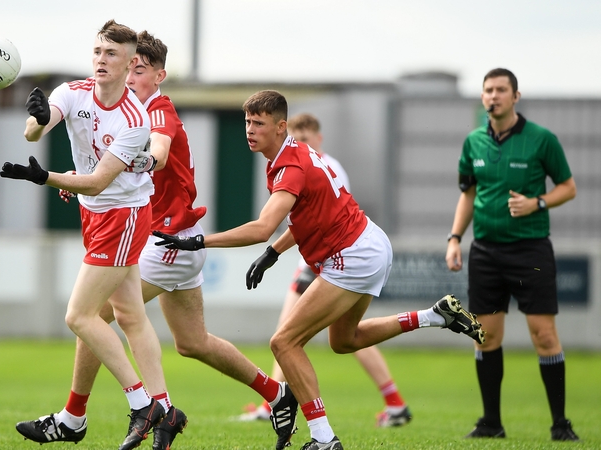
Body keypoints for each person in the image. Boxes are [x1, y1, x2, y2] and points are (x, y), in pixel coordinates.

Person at [154, 90, 485, 450]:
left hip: (353, 254)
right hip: (367, 244)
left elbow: (263, 226)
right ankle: (434, 317)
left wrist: (201, 241)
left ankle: (324, 439)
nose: (249, 130)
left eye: (258, 123)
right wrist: (272, 254)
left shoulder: (290, 165)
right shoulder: (291, 154)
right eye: (247, 122)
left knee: (284, 342)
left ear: (281, 127)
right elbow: (306, 218)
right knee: (345, 341)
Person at [56, 31, 294, 450]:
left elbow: (159, 152)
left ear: (159, 75)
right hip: (168, 242)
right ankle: (277, 394)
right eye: (128, 67)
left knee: (94, 317)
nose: (129, 75)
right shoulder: (122, 113)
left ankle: (78, 416)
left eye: (139, 69)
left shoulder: (158, 109)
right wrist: (80, 181)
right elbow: (109, 168)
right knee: (193, 343)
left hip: (169, 241)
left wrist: (133, 161)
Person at [0, 20, 171, 450]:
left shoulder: (135, 117)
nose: (100, 60)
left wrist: (47, 179)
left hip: (124, 214)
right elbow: (34, 131)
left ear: (131, 62)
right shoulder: (71, 92)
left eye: (111, 55)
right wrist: (38, 120)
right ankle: (93, 418)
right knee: (129, 315)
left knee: (79, 317)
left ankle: (142, 404)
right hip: (94, 216)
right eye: (97, 52)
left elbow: (97, 182)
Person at [239, 113, 412, 428]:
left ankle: (285, 408)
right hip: (329, 257)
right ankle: (394, 400)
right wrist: (273, 253)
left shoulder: (316, 165)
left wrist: (267, 251)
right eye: (297, 137)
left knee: (289, 336)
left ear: (319, 138)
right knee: (339, 338)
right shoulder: (295, 161)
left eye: (307, 138)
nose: (301, 143)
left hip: (331, 260)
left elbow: (320, 221)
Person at [445, 68, 579, 441]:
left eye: (501, 90)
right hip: (485, 251)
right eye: (488, 90)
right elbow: (468, 193)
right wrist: (455, 238)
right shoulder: (473, 141)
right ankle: (491, 423)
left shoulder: (542, 139)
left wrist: (537, 202)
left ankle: (560, 425)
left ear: (515, 96)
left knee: (544, 335)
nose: (493, 96)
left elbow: (568, 188)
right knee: (485, 336)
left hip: (531, 249)